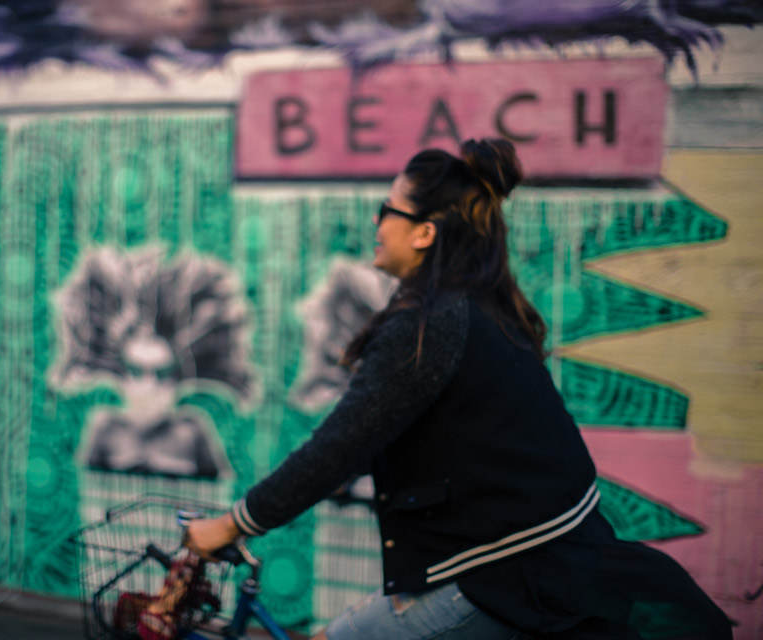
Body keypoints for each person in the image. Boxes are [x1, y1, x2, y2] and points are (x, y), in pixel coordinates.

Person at [184, 139, 732, 640]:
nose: (376, 222)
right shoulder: (483, 311)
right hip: (536, 567)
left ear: (424, 232)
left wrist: (233, 524)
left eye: (388, 210)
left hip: (508, 581)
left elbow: (337, 448)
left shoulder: (429, 326)